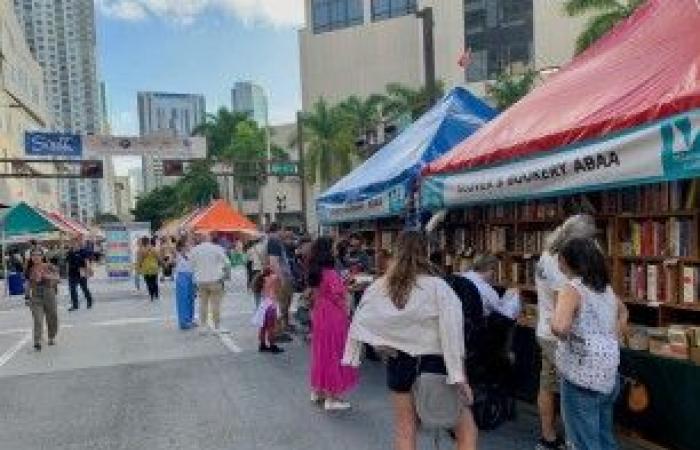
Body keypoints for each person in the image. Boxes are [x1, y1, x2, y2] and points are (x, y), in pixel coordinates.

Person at [343, 230, 474, 450]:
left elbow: (362, 321)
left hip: (399, 364)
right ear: (427, 252)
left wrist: (380, 347)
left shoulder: (380, 286)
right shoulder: (438, 287)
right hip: (435, 365)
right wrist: (459, 375)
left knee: (405, 430)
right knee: (466, 430)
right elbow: (452, 333)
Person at [551, 238, 628, 450]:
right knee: (605, 437)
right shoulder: (604, 288)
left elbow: (559, 327)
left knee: (583, 441)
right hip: (608, 374)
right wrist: (613, 334)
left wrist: (562, 331)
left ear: (566, 261)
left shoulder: (572, 288)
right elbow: (623, 311)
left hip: (580, 376)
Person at [535, 214, 597, 450]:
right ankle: (572, 440)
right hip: (559, 335)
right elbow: (566, 303)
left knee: (548, 383)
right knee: (571, 388)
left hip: (546, 329)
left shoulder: (546, 254)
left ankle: (548, 437)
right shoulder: (561, 261)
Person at [307, 237, 359, 411]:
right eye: (333, 247)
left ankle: (319, 391)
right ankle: (332, 398)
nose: (335, 250)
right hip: (333, 316)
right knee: (335, 353)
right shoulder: (330, 273)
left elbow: (316, 294)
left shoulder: (314, 271)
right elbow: (338, 296)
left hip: (320, 313)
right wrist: (347, 290)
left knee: (322, 352)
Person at [189, 232, 230, 334]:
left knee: (203, 304)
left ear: (200, 239)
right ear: (210, 238)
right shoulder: (217, 248)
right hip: (215, 280)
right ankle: (217, 327)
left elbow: (191, 266)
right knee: (216, 304)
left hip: (201, 281)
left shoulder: (194, 250)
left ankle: (203, 326)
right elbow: (227, 263)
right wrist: (226, 275)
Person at [26, 248, 60, 351]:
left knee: (52, 317)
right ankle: (37, 341)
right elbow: (28, 284)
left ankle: (51, 336)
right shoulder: (29, 269)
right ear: (31, 257)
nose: (36, 257)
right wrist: (27, 296)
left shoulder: (49, 266)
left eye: (38, 255)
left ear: (42, 256)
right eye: (34, 255)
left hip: (49, 293)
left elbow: (57, 278)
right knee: (38, 319)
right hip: (36, 296)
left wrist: (46, 276)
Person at [266, 223, 294, 335]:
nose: (284, 233)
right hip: (281, 277)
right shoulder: (273, 241)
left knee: (285, 302)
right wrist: (281, 277)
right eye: (283, 231)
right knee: (281, 303)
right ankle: (278, 331)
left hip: (283, 276)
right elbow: (274, 262)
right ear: (278, 230)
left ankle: (283, 326)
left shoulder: (275, 241)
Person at [252, 268, 284, 354]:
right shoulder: (271, 279)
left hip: (263, 306)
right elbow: (279, 278)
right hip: (271, 306)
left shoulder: (261, 280)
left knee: (263, 327)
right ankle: (272, 346)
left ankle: (262, 345)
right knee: (271, 328)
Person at [66, 238, 94, 311]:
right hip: (72, 273)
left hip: (81, 273)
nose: (73, 244)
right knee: (72, 289)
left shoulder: (83, 251)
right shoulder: (70, 252)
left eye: (75, 243)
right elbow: (67, 263)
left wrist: (89, 270)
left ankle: (89, 301)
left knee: (84, 288)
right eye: (72, 243)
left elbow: (87, 261)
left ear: (78, 243)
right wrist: (66, 272)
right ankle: (75, 305)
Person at [174, 236, 195, 330]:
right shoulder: (178, 254)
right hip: (182, 276)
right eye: (188, 243)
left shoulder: (191, 252)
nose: (190, 244)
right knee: (183, 299)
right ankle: (183, 322)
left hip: (191, 276)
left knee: (191, 299)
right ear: (183, 245)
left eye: (190, 243)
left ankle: (190, 319)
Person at [137, 237, 160, 301]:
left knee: (148, 282)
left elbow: (140, 260)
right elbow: (158, 258)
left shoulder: (141, 250)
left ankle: (151, 295)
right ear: (148, 241)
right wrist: (161, 264)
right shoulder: (153, 249)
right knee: (154, 281)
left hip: (146, 269)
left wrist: (138, 268)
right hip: (154, 268)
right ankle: (156, 294)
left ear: (143, 242)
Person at [246, 237, 265, 307]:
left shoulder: (251, 249)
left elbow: (248, 259)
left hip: (256, 270)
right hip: (265, 270)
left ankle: (258, 306)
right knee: (265, 289)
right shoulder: (265, 247)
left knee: (257, 290)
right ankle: (265, 306)